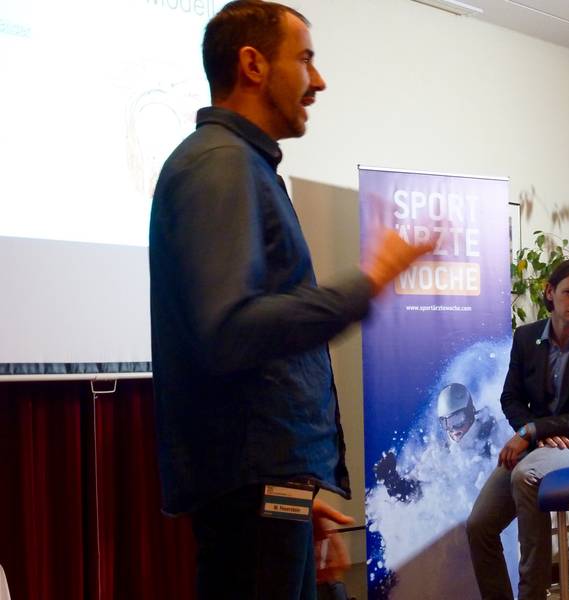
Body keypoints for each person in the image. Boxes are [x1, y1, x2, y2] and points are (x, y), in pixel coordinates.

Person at [148, 2, 433, 599]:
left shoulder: (240, 165)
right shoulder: (220, 165)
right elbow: (229, 331)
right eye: (305, 59)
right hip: (254, 484)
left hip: (270, 486)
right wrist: (368, 281)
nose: (319, 80)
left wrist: (296, 494)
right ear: (253, 65)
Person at [466, 258, 569, 600]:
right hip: (539, 443)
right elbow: (511, 397)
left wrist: (531, 432)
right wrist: (534, 432)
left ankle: (533, 594)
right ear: (550, 293)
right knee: (479, 526)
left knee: (526, 476)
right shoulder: (526, 337)